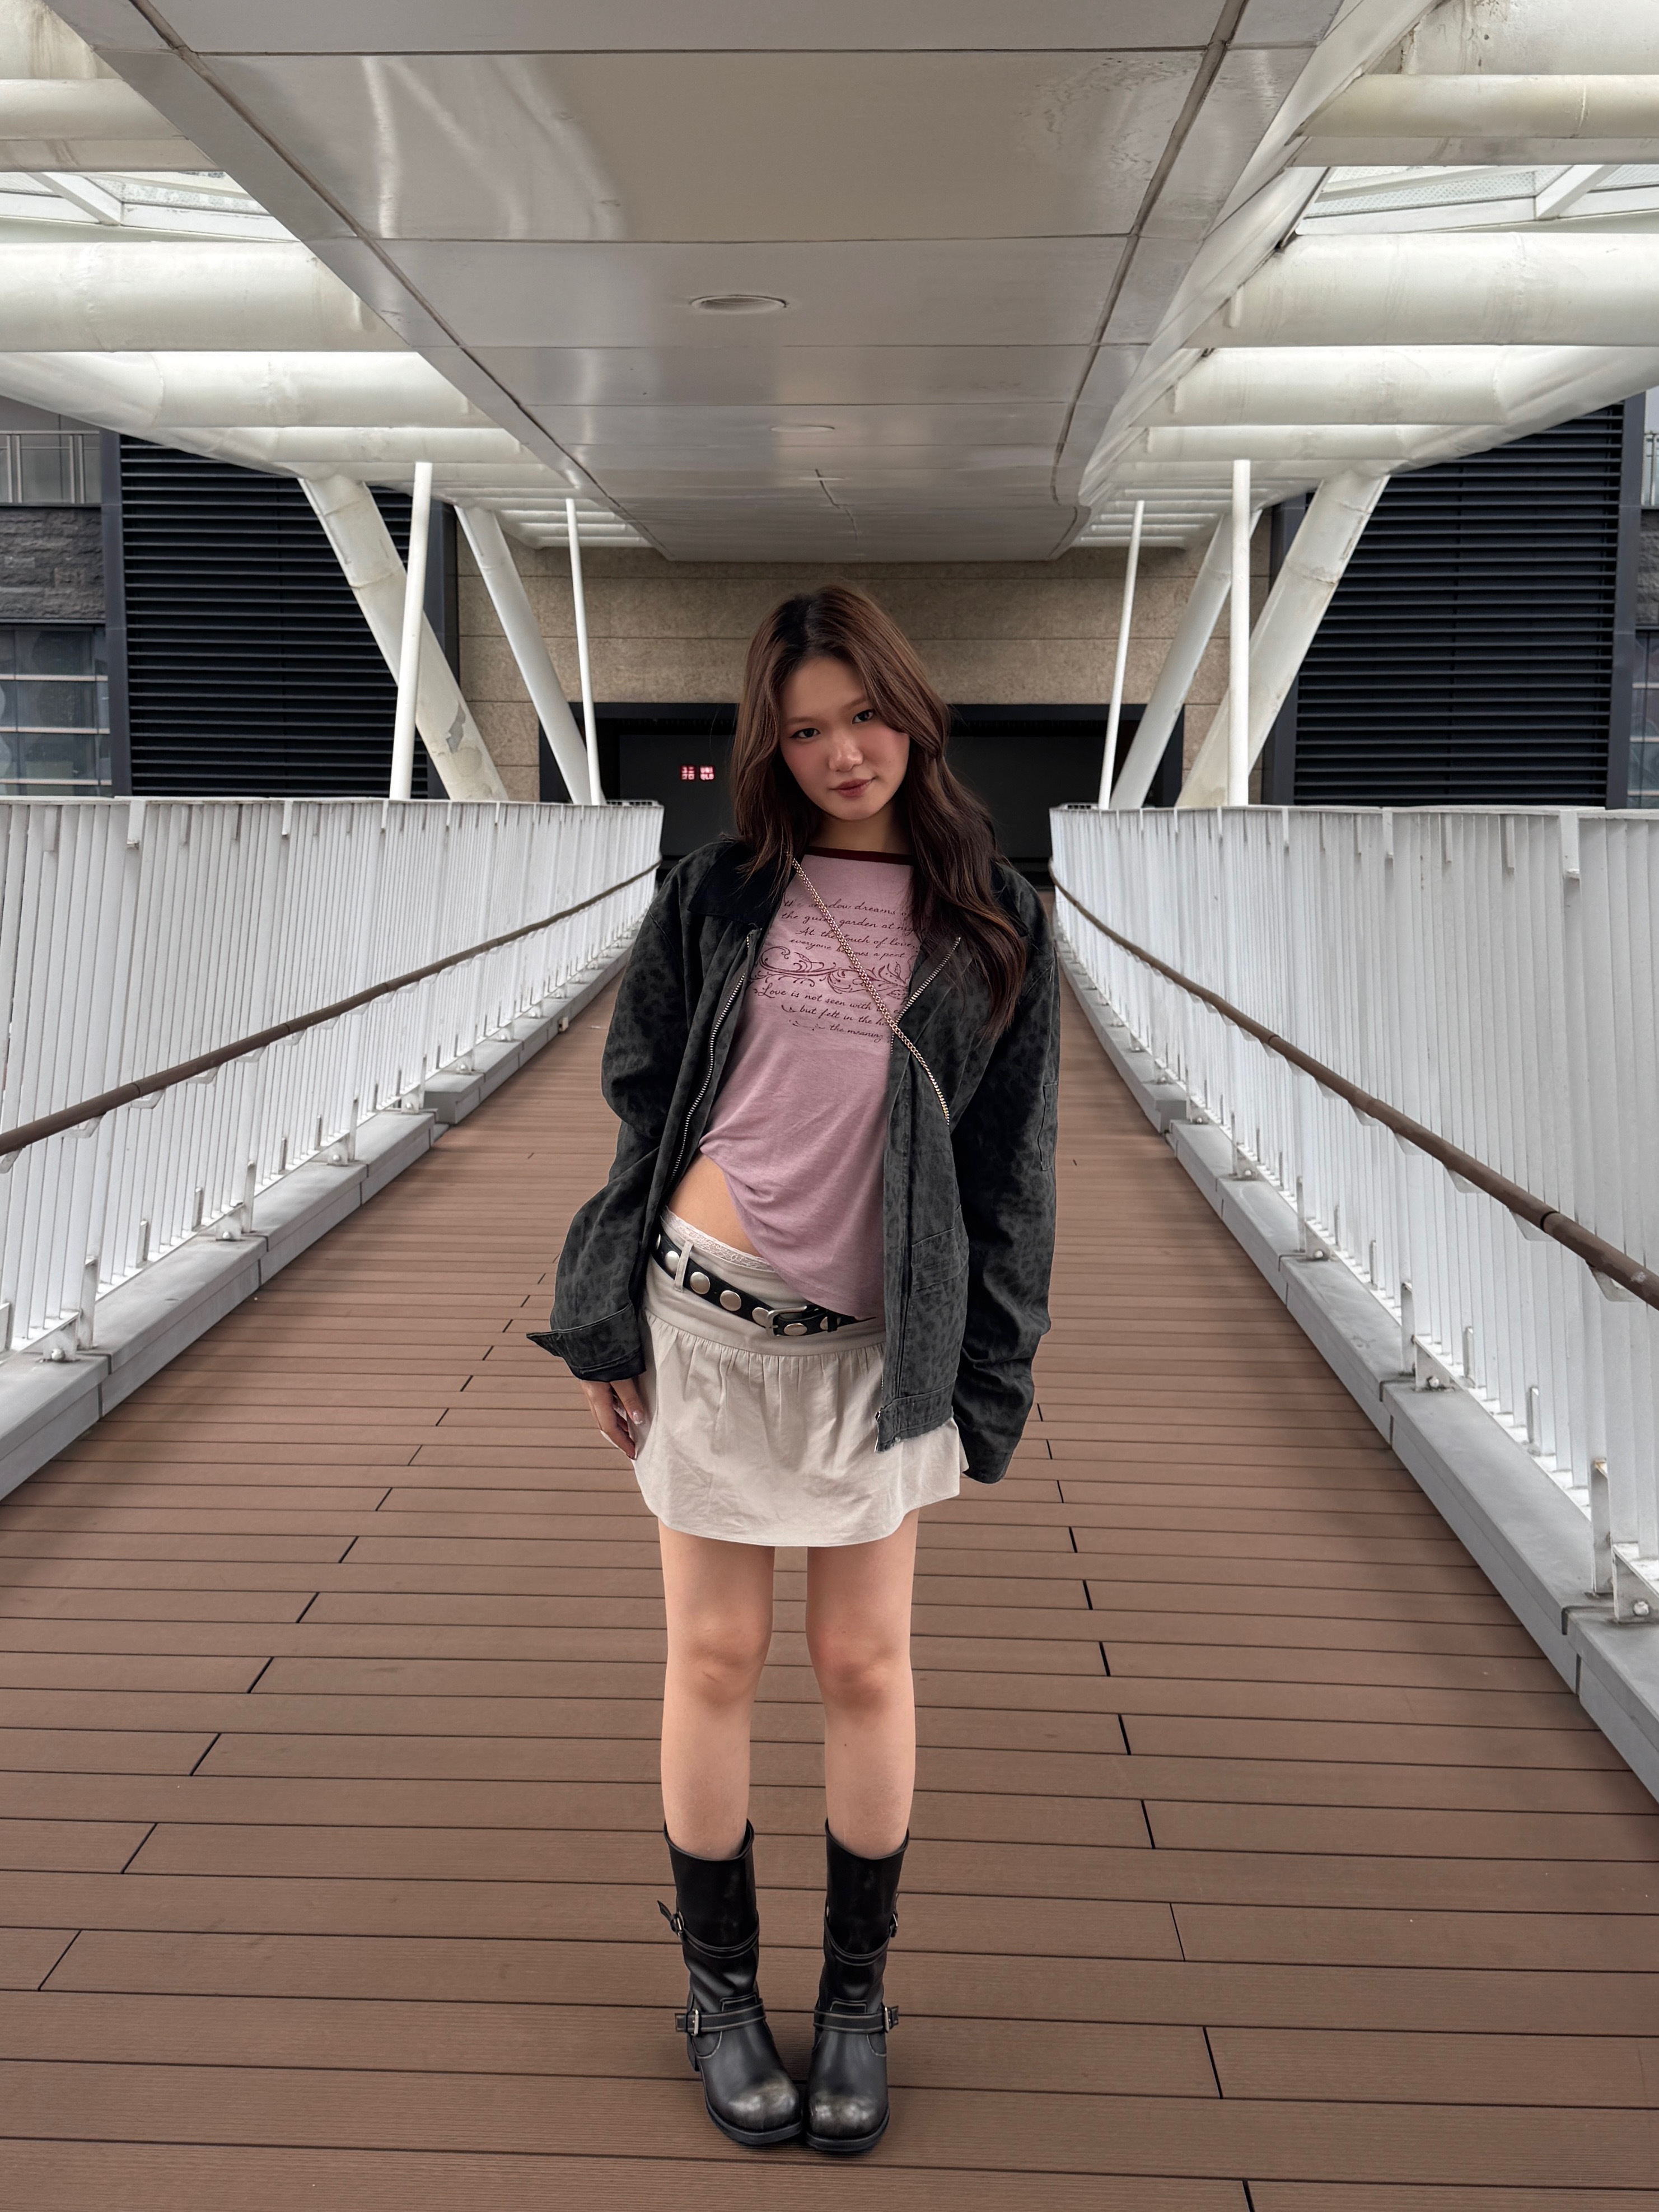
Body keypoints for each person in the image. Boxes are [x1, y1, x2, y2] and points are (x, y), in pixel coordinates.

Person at [534, 584, 1058, 2154]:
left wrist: (991, 1380)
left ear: (913, 711)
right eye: (808, 729)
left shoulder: (998, 918)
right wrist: (601, 1314)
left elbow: (1013, 1171)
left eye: (865, 715)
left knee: (862, 1665)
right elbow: (642, 1103)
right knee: (712, 1658)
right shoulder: (716, 896)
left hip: (875, 1351)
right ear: (772, 745)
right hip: (703, 1315)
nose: (844, 752)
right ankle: (718, 1996)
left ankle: (853, 2002)